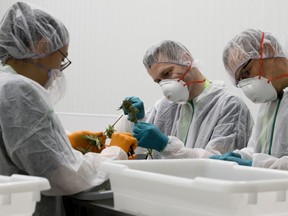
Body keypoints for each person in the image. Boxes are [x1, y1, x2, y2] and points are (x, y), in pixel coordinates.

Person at [0, 2, 137, 216]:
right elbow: (63, 176)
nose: (59, 69)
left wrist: (67, 141)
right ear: (42, 47)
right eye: (61, 58)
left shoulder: (4, 83)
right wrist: (115, 153)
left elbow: (17, 146)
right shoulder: (19, 90)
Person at [115, 40, 254, 159]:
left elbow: (217, 163)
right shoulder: (164, 106)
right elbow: (137, 147)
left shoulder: (229, 106)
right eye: (159, 81)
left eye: (167, 73)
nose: (166, 84)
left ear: (186, 59)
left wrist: (166, 145)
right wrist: (137, 120)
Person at [211, 29, 288, 170]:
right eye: (241, 81)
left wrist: (256, 164)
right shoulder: (269, 104)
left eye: (246, 73)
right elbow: (256, 149)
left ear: (267, 50)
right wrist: (240, 156)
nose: (248, 85)